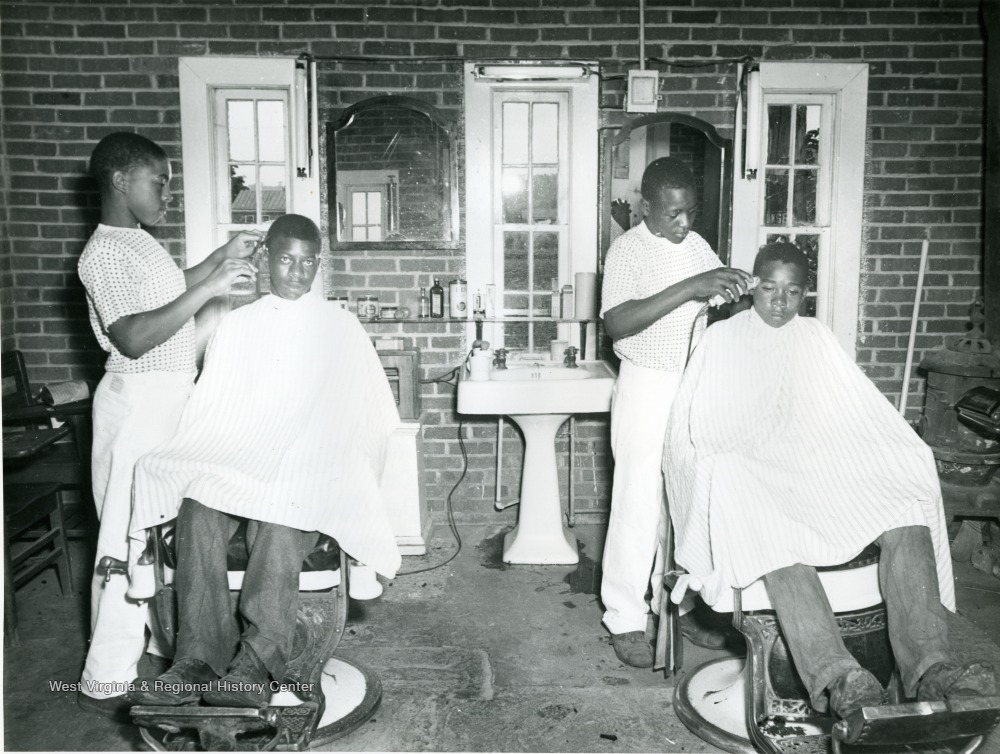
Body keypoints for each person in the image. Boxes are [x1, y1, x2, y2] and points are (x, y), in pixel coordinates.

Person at [663, 242, 997, 718]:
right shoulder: (722, 339)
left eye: (792, 292)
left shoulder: (814, 336)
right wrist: (764, 450)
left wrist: (895, 450)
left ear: (806, 295)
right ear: (752, 286)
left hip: (810, 467)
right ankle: (840, 678)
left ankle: (932, 669)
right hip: (755, 473)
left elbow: (850, 412)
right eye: (770, 289)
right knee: (765, 517)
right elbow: (705, 429)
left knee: (903, 495)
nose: (779, 303)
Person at [128, 214, 402, 708]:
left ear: (319, 263)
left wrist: (313, 454)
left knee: (283, 509)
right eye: (284, 259)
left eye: (307, 261)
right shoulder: (238, 326)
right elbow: (215, 413)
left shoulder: (340, 327)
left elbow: (367, 417)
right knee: (197, 506)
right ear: (265, 260)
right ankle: (197, 659)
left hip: (309, 472)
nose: (296, 272)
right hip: (243, 463)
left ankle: (257, 661)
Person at [77, 132, 258, 719]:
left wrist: (219, 261)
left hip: (168, 400)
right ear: (120, 181)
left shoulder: (139, 244)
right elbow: (131, 336)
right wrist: (210, 286)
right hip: (136, 406)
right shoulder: (102, 252)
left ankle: (160, 646)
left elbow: (165, 292)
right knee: (125, 543)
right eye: (159, 181)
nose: (167, 194)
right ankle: (104, 676)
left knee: (156, 539)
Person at [599, 157, 754, 667]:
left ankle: (677, 606)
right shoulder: (628, 250)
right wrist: (692, 286)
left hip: (692, 383)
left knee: (687, 500)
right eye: (673, 214)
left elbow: (712, 304)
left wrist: (730, 293)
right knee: (638, 502)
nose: (683, 223)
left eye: (690, 212)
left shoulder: (698, 247)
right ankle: (624, 615)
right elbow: (618, 322)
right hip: (645, 383)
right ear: (647, 207)